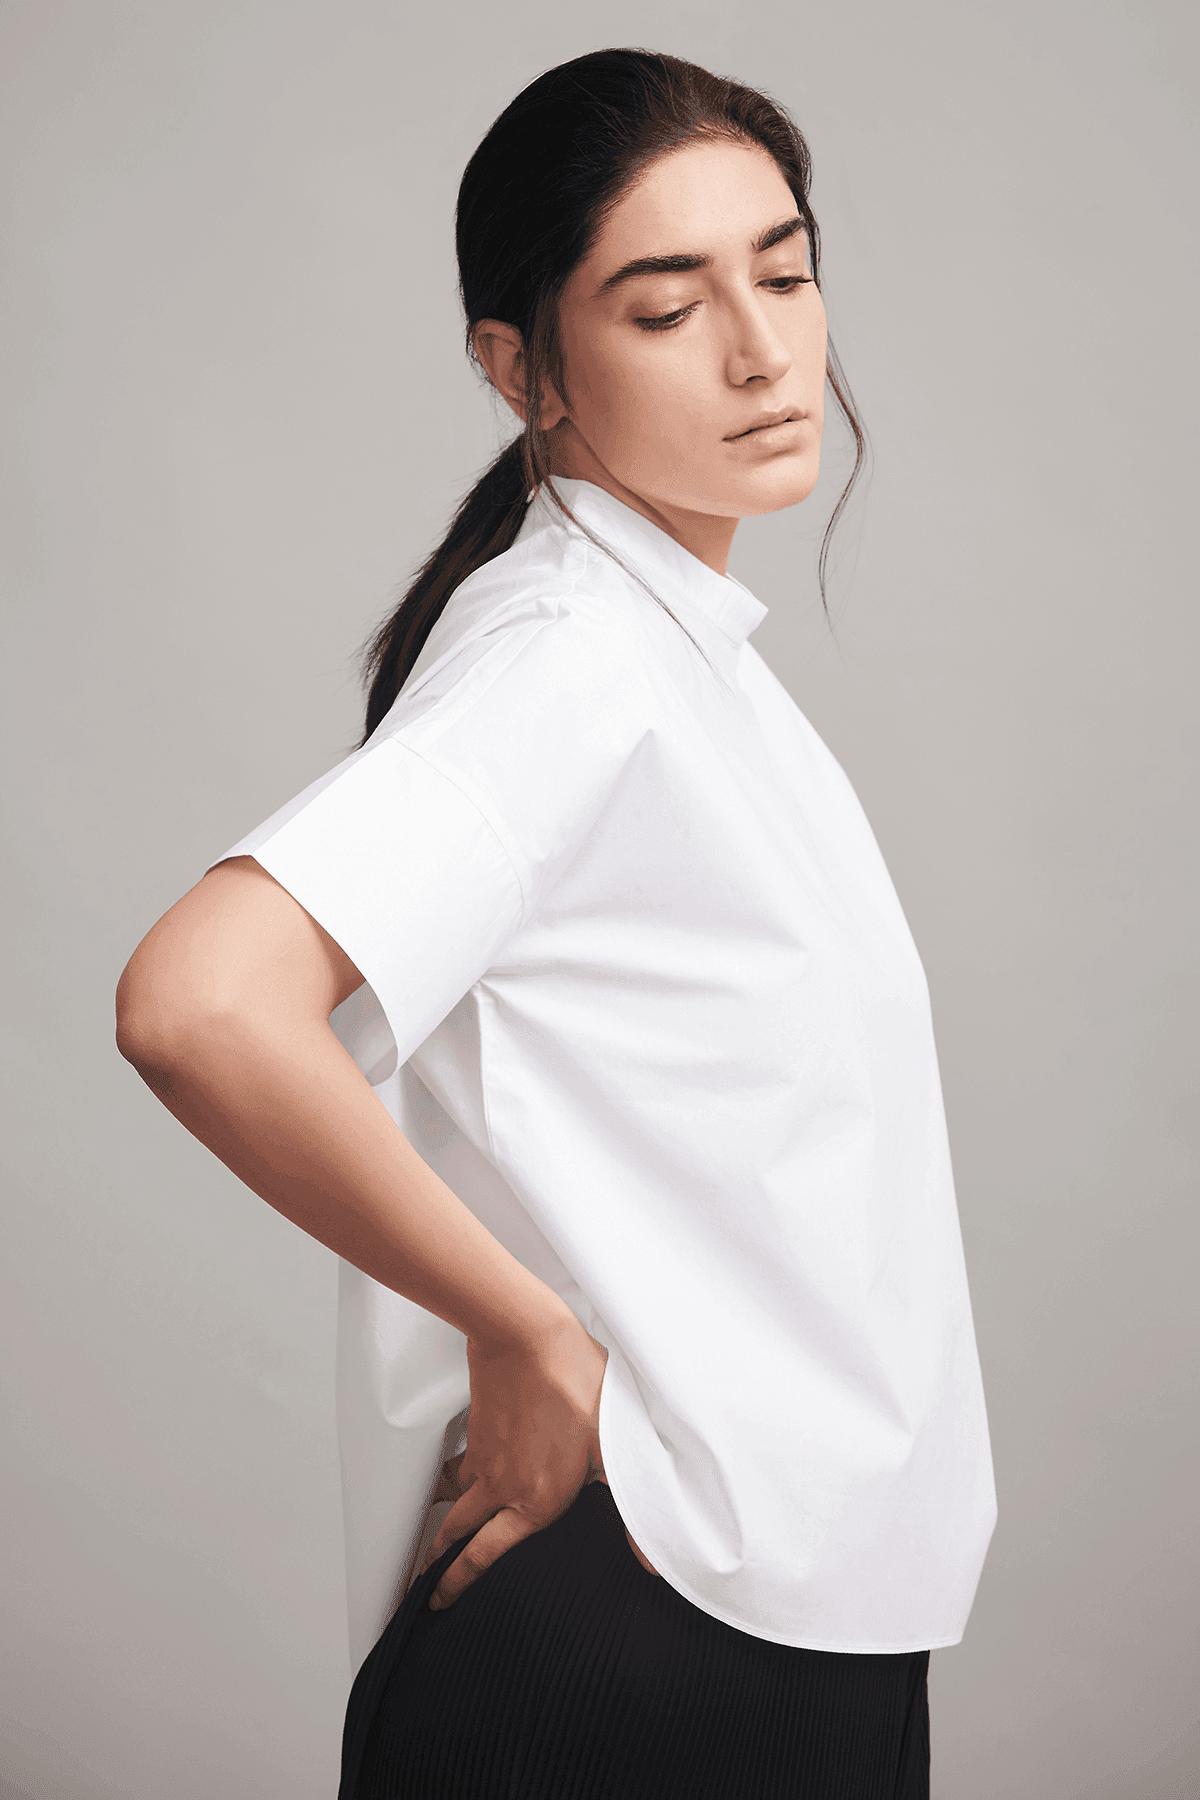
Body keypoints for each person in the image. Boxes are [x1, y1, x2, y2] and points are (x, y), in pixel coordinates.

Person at [115, 47, 996, 1800]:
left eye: (786, 273)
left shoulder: (675, 662)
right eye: (666, 307)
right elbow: (199, 1002)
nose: (762, 351)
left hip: (782, 1607)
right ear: (520, 368)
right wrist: (522, 1332)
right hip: (654, 1636)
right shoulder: (569, 657)